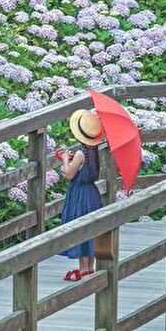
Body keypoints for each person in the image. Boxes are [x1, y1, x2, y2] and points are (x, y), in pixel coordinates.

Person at [56, 108, 104, 281]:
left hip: (79, 194)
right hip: (92, 193)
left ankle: (82, 269)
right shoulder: (94, 151)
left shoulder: (80, 153)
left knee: (81, 227)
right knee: (91, 229)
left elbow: (69, 174)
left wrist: (64, 159)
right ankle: (90, 267)